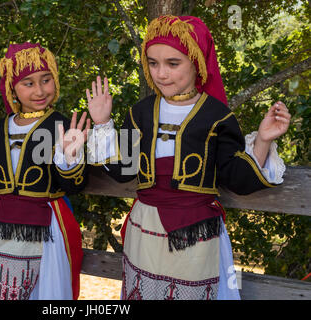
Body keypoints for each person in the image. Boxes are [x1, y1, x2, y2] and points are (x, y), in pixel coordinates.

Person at [85, 15, 290, 300]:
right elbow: (123, 171)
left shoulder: (217, 116)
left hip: (196, 233)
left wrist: (264, 139)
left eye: (172, 63)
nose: (161, 74)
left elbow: (236, 179)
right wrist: (102, 123)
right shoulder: (140, 112)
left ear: (197, 63)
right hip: (145, 230)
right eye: (153, 63)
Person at [0, 42, 89, 300]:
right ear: (13, 88)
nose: (39, 90)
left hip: (46, 229)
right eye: (29, 83)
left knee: (43, 290)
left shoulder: (60, 125)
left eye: (46, 80)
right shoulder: (0, 128)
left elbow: (73, 186)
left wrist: (69, 158)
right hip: (0, 223)